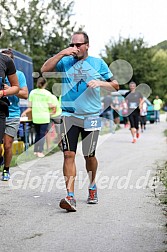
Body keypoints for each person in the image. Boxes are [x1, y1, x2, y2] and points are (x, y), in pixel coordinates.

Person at [41, 31, 119, 212]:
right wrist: (62, 53)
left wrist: (100, 84)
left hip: (91, 116)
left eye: (78, 45)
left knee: (89, 155)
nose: (75, 48)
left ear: (87, 45)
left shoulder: (98, 63)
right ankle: (70, 196)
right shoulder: (65, 61)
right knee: (68, 154)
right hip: (68, 115)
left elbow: (115, 85)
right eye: (73, 44)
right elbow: (45, 70)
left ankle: (92, 186)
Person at [0, 49, 28, 181]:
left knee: (7, 144)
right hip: (1, 112)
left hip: (13, 114)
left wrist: (9, 90)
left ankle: (6, 169)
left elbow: (25, 94)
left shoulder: (19, 75)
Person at [21, 77, 56, 158]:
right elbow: (51, 105)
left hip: (36, 117)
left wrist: (24, 112)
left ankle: (35, 151)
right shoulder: (47, 93)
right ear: (45, 84)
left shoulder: (32, 92)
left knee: (38, 134)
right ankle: (39, 151)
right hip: (44, 117)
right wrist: (52, 110)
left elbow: (30, 107)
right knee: (42, 135)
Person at [0, 51, 19, 168]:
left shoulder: (5, 61)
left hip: (1, 110)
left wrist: (3, 92)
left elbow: (17, 88)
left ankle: (6, 168)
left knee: (6, 146)